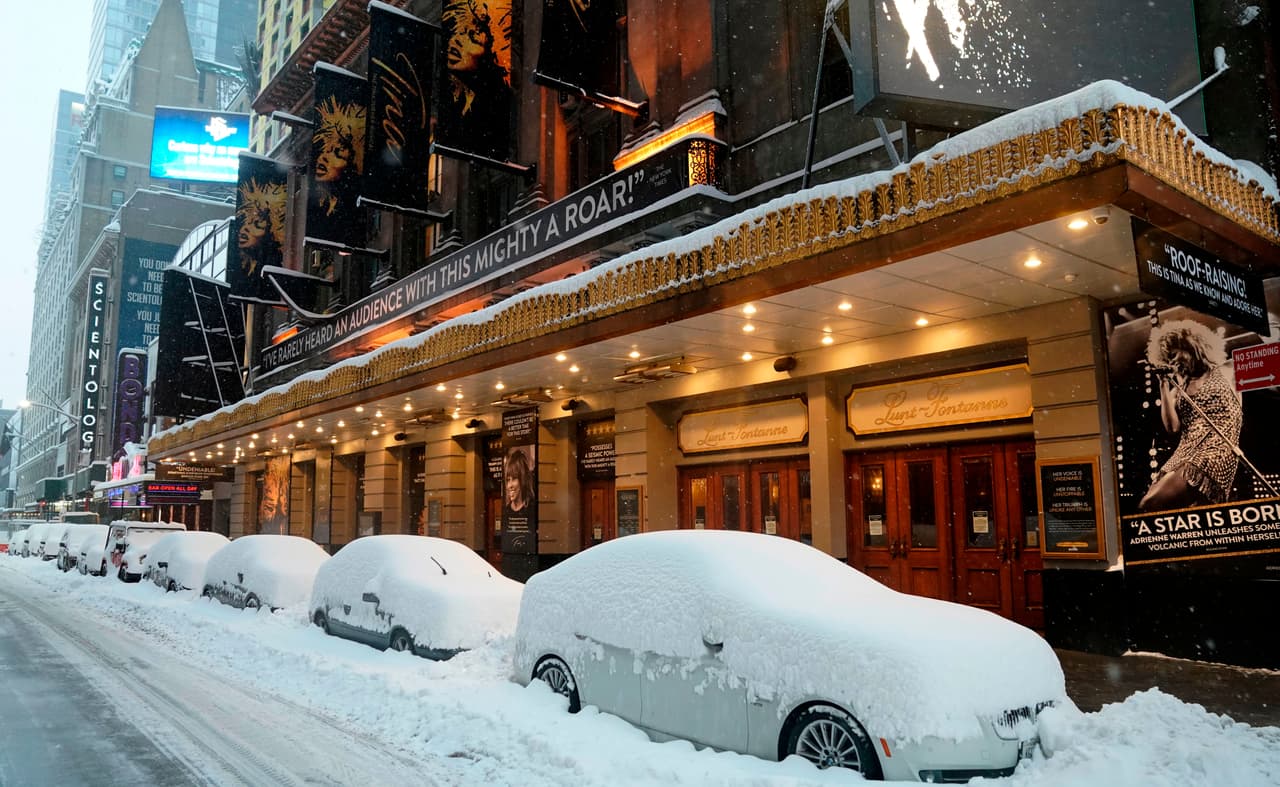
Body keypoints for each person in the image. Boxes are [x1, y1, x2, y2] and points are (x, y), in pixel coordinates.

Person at [1139, 319, 1242, 511]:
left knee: (1150, 504)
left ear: (1193, 346)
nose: (1173, 361)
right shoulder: (1179, 389)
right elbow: (1172, 428)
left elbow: (1270, 363)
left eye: (1175, 354)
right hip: (1184, 452)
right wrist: (1163, 385)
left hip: (1215, 450)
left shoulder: (1228, 370)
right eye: (1168, 359)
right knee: (1182, 512)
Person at [439, 0, 514, 160]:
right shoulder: (459, 103)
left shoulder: (496, 101)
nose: (456, 40)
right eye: (457, 31)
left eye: (472, 36)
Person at [311, 97, 366, 217]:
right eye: (326, 149)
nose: (324, 157)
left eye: (338, 153)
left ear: (354, 167)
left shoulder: (350, 213)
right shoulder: (321, 206)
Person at [504, 447, 534, 514]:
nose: (510, 485)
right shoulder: (506, 511)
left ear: (523, 479)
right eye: (508, 480)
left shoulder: (531, 509)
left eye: (514, 478)